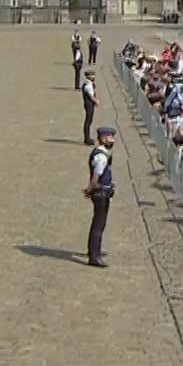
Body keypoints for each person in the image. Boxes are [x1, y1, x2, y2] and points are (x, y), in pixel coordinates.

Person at [82, 125, 117, 268]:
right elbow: (96, 177)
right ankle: (94, 256)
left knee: (98, 223)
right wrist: (89, 190)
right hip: (101, 193)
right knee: (99, 224)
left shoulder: (102, 154)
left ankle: (94, 249)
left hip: (102, 191)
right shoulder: (101, 157)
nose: (112, 140)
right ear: (102, 138)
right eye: (109, 137)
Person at [79, 68, 98, 144]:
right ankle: (87, 139)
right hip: (89, 104)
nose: (94, 77)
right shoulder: (88, 85)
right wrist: (96, 101)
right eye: (92, 75)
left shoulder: (88, 84)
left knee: (89, 120)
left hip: (89, 104)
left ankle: (87, 138)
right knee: (88, 121)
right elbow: (91, 96)